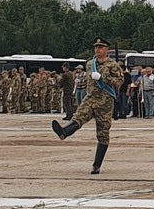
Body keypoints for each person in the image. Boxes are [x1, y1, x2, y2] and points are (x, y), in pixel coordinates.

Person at [53, 38, 124, 174]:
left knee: (102, 133)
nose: (97, 49)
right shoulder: (90, 63)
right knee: (79, 116)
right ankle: (64, 132)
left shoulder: (112, 65)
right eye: (96, 47)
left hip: (105, 102)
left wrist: (104, 78)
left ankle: (97, 165)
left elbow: (119, 81)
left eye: (100, 47)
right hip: (90, 99)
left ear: (107, 49)